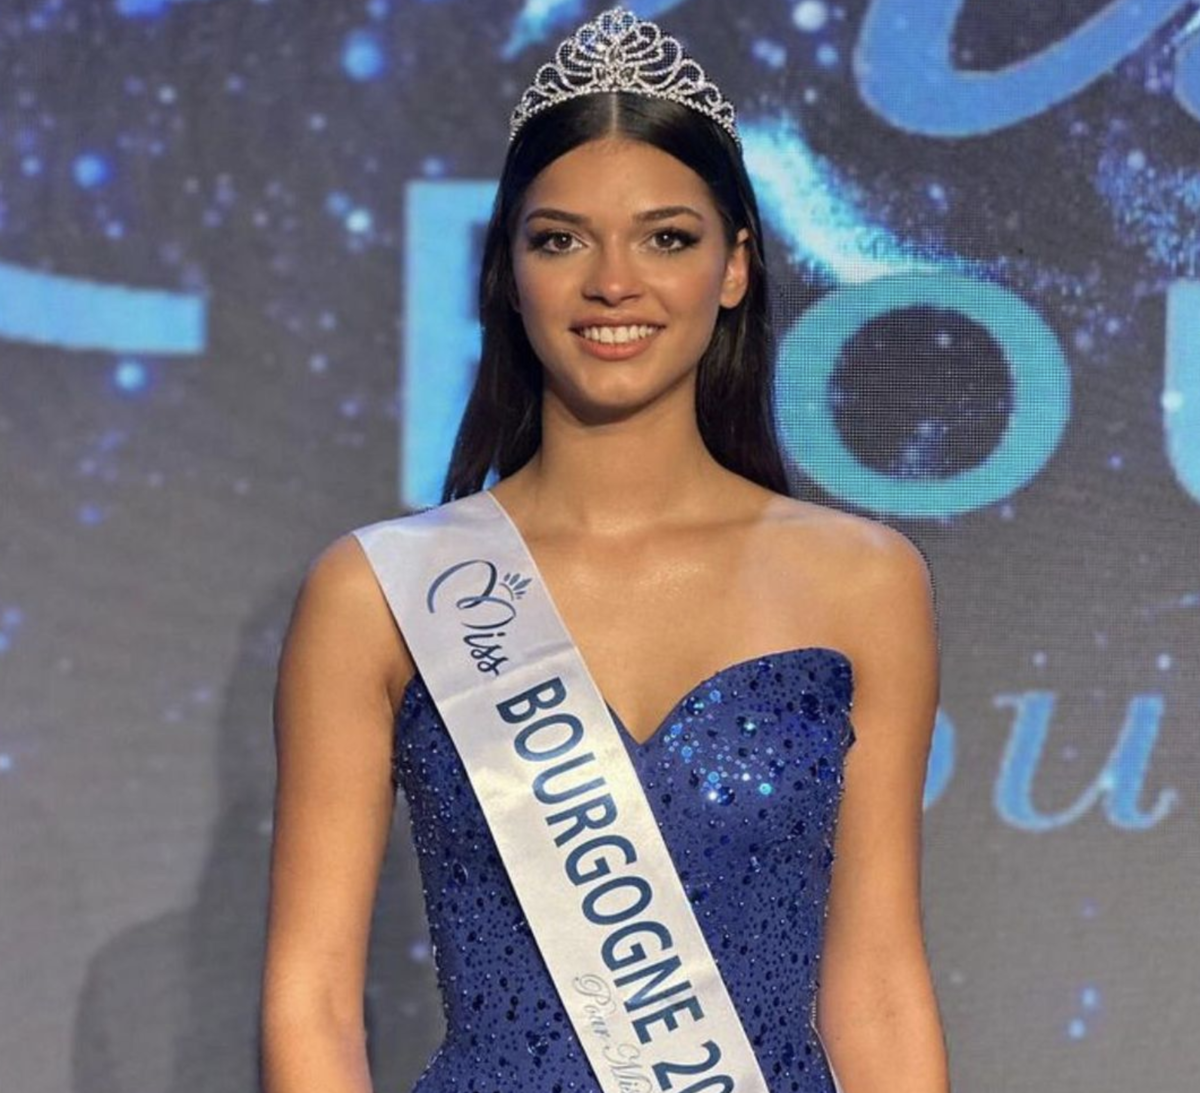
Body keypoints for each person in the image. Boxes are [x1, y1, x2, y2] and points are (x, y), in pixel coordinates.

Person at [261, 8, 949, 1092]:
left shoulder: (863, 581)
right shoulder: (382, 591)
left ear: (734, 267)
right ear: (509, 270)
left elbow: (879, 985)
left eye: (667, 237)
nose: (613, 282)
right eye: (561, 239)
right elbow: (311, 997)